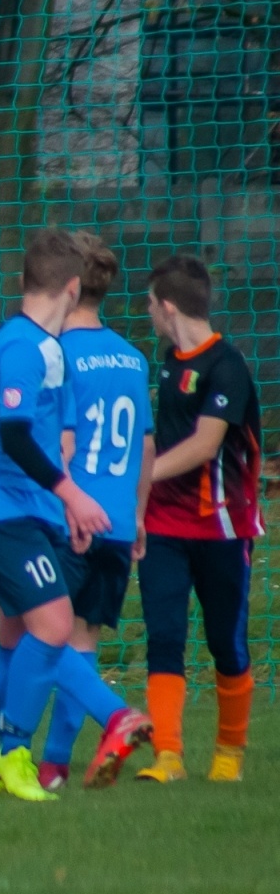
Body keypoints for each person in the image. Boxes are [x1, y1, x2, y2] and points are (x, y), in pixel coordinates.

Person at [0, 228, 152, 802]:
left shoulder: (50, 351)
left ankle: (7, 752)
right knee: (54, 624)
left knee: (18, 634)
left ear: (25, 281)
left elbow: (52, 440)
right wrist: (72, 496)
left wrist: (60, 507)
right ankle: (14, 754)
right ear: (73, 286)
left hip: (26, 506)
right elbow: (15, 437)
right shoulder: (25, 347)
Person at [135, 256, 262, 784]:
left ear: (167, 307)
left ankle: (229, 755)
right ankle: (167, 756)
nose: (147, 314)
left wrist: (138, 482)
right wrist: (141, 504)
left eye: (148, 305)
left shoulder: (227, 366)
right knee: (164, 637)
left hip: (223, 529)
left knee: (225, 643)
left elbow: (205, 445)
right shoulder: (167, 362)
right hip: (164, 527)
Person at [38, 233, 156, 790]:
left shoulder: (58, 353)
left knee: (38, 635)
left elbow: (57, 443)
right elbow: (145, 447)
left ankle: (116, 715)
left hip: (73, 518)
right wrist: (140, 517)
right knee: (81, 643)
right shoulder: (132, 356)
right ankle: (56, 765)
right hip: (119, 519)